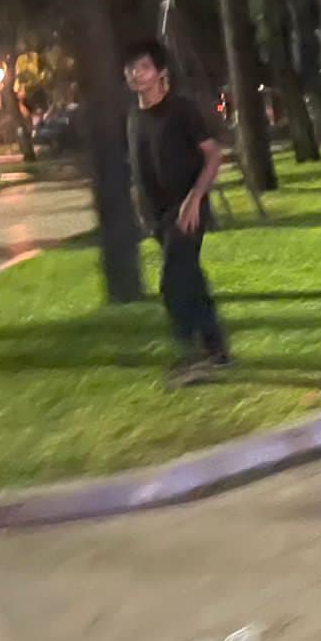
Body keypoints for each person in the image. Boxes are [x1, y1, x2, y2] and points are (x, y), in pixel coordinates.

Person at [123, 40, 229, 386]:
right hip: (156, 216)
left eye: (144, 67)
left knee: (173, 281)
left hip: (186, 210)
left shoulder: (181, 110)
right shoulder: (133, 118)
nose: (136, 74)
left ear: (160, 73)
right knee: (190, 278)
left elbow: (213, 155)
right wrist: (140, 207)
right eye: (131, 68)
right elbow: (139, 168)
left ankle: (192, 352)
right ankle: (216, 350)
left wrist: (195, 198)